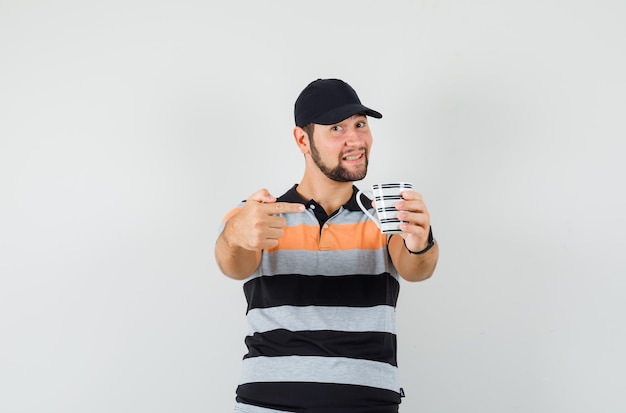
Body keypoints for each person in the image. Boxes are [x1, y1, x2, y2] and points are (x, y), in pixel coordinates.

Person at [215, 78, 439, 413]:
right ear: (302, 139)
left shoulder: (386, 214)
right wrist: (235, 234)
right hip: (267, 404)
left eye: (360, 125)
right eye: (337, 128)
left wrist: (421, 240)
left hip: (368, 405)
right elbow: (233, 265)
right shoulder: (259, 215)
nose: (356, 139)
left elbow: (416, 269)